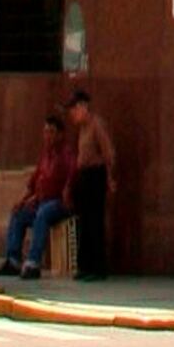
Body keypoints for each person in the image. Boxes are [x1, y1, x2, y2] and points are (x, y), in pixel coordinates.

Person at [0, 114, 75, 279]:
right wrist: (23, 201)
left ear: (60, 134)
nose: (48, 136)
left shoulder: (67, 155)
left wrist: (67, 192)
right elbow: (33, 183)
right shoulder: (45, 156)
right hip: (41, 202)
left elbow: (72, 179)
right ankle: (13, 259)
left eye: (52, 132)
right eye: (45, 132)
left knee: (43, 213)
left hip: (59, 203)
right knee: (19, 214)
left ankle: (33, 262)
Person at [66, 89, 117, 281]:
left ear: (83, 107)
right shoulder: (82, 129)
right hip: (84, 176)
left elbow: (108, 153)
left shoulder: (97, 125)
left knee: (95, 221)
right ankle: (85, 265)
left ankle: (98, 267)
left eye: (74, 109)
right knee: (84, 222)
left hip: (96, 175)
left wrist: (110, 177)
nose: (72, 114)